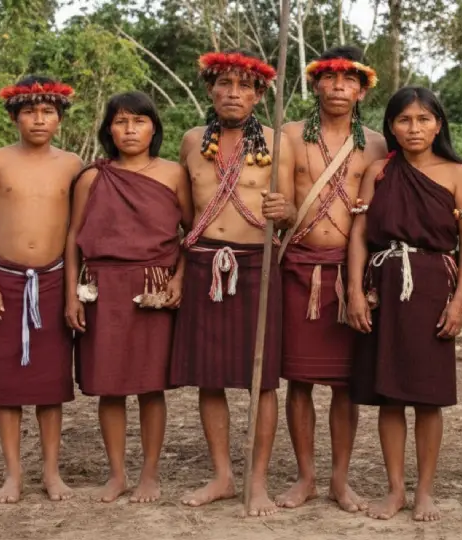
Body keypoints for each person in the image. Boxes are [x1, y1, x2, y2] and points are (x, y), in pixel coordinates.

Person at [168, 50, 296, 517]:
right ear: (210, 90)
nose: (234, 93)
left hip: (257, 266)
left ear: (260, 94)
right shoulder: (191, 141)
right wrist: (180, 270)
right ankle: (222, 475)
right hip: (204, 263)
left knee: (261, 382)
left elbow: (292, 215)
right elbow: (182, 216)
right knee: (210, 377)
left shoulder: (278, 143)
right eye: (225, 84)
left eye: (245, 86)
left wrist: (286, 214)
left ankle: (256, 481)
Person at [347, 86, 462, 522]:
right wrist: (353, 291)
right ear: (391, 127)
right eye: (404, 120)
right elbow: (360, 236)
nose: (414, 128)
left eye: (423, 119)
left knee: (427, 397)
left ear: (438, 124)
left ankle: (424, 491)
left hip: (431, 284)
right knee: (389, 396)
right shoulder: (378, 172)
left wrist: (460, 302)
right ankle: (395, 489)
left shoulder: (457, 173)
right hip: (383, 282)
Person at [65, 91, 192, 504]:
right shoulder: (91, 177)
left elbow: (192, 233)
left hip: (152, 284)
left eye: (139, 121)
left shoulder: (174, 173)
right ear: (108, 129)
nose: (130, 129)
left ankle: (150, 475)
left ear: (154, 127)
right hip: (102, 287)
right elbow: (73, 241)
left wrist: (179, 279)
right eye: (120, 122)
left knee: (149, 386)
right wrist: (72, 295)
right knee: (110, 386)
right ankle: (117, 474)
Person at [275, 46, 387, 512]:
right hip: (298, 265)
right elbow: (277, 202)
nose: (339, 87)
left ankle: (340, 479)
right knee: (299, 380)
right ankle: (305, 477)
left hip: (351, 273)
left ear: (362, 89)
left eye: (349, 80)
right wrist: (277, 210)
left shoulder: (378, 144)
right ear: (316, 83)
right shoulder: (289, 136)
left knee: (346, 382)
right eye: (330, 77)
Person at [0, 75, 83, 504]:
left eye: (48, 111)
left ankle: (52, 473)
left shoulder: (72, 164)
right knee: (8, 384)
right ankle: (13, 474)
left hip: (52, 279)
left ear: (59, 118)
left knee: (50, 385)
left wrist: (72, 291)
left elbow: (76, 230)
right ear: (14, 116)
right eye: (30, 111)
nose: (39, 119)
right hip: (5, 280)